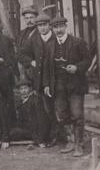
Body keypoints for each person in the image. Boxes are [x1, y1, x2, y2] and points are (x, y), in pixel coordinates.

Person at [43, 16, 91, 157]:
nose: (58, 30)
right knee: (62, 115)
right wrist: (46, 84)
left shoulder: (77, 42)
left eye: (61, 27)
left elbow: (87, 60)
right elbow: (46, 67)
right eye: (55, 27)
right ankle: (70, 141)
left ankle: (79, 144)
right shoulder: (50, 45)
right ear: (53, 29)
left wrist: (76, 68)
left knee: (77, 114)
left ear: (65, 27)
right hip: (58, 87)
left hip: (75, 85)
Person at [18, 13, 58, 146]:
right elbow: (21, 53)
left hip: (56, 80)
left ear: (50, 26)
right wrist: (31, 62)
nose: (42, 28)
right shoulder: (34, 39)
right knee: (45, 109)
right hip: (40, 81)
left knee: (58, 108)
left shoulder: (56, 37)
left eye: (45, 25)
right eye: (40, 25)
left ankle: (61, 135)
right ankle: (50, 137)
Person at [10, 79, 51, 148]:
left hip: (35, 131)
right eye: (21, 89)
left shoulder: (35, 100)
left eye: (25, 88)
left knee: (13, 133)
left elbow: (42, 120)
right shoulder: (20, 102)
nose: (23, 91)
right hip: (26, 129)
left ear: (30, 89)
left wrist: (40, 140)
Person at [16, 6, 39, 79]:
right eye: (27, 18)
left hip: (36, 67)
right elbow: (18, 51)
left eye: (31, 18)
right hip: (23, 68)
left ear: (36, 18)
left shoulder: (40, 32)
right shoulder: (21, 34)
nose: (29, 20)